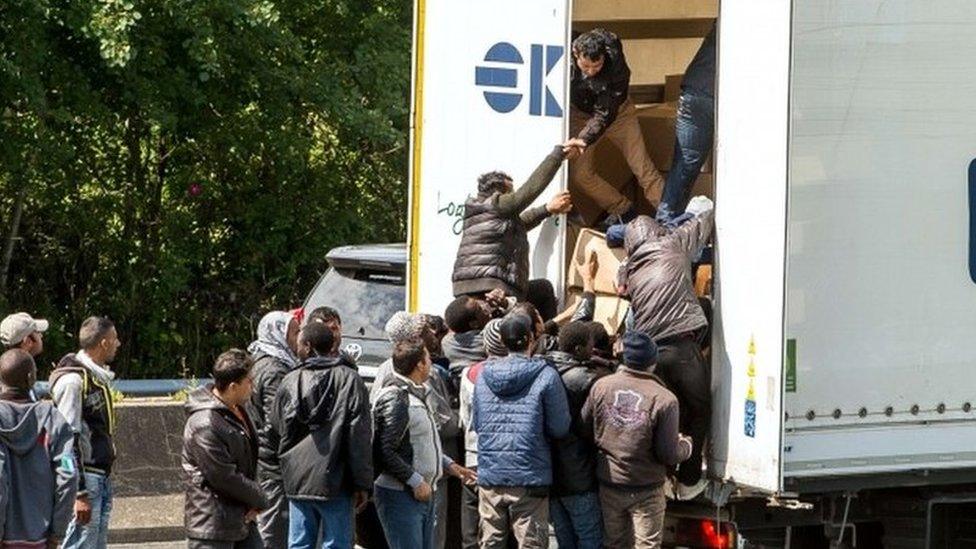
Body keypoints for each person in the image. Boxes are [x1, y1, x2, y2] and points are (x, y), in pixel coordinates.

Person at [618, 196, 714, 500]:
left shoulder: (629, 269)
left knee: (665, 413)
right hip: (682, 343)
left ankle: (663, 477)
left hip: (652, 355)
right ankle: (687, 481)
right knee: (699, 410)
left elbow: (621, 286)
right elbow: (705, 221)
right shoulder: (672, 244)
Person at [582, 332, 692, 549]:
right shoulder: (665, 399)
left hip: (610, 483)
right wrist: (686, 445)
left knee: (613, 543)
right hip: (647, 489)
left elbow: (584, 427)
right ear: (653, 362)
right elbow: (667, 454)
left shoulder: (602, 386)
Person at [268, 322, 372, 549]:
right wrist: (362, 483)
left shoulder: (289, 380)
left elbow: (276, 427)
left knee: (299, 544)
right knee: (337, 543)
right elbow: (359, 436)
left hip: (298, 478)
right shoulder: (350, 379)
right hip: (337, 478)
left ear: (306, 345)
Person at [472, 312, 571, 548]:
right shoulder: (546, 375)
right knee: (531, 544)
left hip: (491, 474)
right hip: (530, 475)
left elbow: (477, 424)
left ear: (503, 341)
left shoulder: (483, 375)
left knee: (490, 543)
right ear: (530, 339)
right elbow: (560, 428)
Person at [372, 338, 476, 549]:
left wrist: (448, 465)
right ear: (419, 364)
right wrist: (415, 481)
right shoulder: (396, 398)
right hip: (401, 496)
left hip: (422, 494)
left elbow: (420, 441)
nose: (431, 362)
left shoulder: (417, 393)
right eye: (428, 358)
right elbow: (385, 450)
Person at [452, 142, 578, 301]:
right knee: (542, 292)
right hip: (489, 284)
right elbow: (529, 191)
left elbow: (519, 224)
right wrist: (558, 155)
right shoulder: (497, 204)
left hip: (474, 283)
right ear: (499, 192)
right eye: (510, 192)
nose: (512, 195)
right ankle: (546, 327)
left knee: (542, 289)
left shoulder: (482, 211)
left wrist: (547, 209)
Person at [566, 28, 667, 226]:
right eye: (586, 67)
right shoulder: (564, 43)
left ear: (604, 56)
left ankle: (671, 220)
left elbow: (605, 111)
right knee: (581, 175)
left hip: (618, 113)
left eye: (597, 66)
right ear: (575, 52)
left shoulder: (616, 65)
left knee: (642, 168)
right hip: (580, 115)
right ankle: (622, 209)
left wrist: (584, 139)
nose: (592, 72)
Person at [182, 349, 268, 549]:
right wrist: (260, 498)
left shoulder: (237, 410)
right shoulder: (206, 423)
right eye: (249, 381)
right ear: (233, 387)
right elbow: (223, 476)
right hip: (212, 525)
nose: (253, 387)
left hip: (240, 518)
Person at [50, 316, 121, 549]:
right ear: (103, 343)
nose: (118, 344)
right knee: (80, 543)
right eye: (114, 339)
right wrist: (78, 492)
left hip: (101, 476)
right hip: (86, 479)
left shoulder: (96, 378)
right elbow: (66, 439)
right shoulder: (73, 381)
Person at [0, 349, 77, 549]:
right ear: (30, 378)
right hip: (39, 538)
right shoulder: (53, 420)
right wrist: (56, 533)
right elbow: (68, 474)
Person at [546, 322, 613, 549]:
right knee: (590, 539)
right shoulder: (587, 379)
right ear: (577, 349)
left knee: (565, 541)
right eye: (590, 346)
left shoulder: (544, 370)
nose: (592, 350)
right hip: (579, 476)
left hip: (551, 476)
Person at [246, 311, 300, 548]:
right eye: (295, 332)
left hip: (265, 457)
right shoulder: (274, 369)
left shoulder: (265, 362)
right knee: (275, 526)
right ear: (279, 334)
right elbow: (277, 422)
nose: (299, 338)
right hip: (273, 462)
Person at [656, 25, 716, 225]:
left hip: (694, 91)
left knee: (684, 164)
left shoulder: (726, 18)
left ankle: (664, 224)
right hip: (713, 93)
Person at [457, 318, 505, 549]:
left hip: (474, 454)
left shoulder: (469, 374)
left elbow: (465, 419)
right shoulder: (517, 373)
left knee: (471, 517)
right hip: (504, 457)